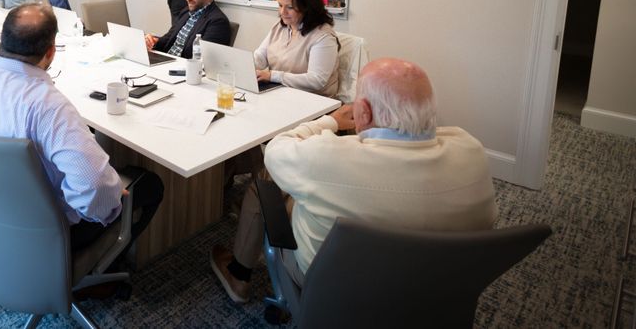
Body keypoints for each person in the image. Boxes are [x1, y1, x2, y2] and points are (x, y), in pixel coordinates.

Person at [209, 58, 497, 303]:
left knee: (266, 182)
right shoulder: (473, 151)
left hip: (336, 287)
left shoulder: (330, 157)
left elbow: (275, 151)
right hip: (441, 287)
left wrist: (331, 121)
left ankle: (239, 274)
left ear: (365, 112)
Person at [0, 4, 164, 258]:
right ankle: (91, 270)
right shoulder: (49, 107)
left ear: (1, 41)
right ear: (51, 52)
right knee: (148, 184)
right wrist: (111, 196)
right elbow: (95, 188)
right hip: (49, 230)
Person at [254, 0, 340, 96]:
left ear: (306, 7)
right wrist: (246, 65)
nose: (282, 12)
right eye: (280, 5)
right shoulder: (280, 27)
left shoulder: (323, 36)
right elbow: (260, 57)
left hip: (314, 101)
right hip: (281, 94)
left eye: (289, 7)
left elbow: (316, 80)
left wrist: (272, 76)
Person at [144, 0, 231, 58]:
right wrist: (153, 41)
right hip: (168, 61)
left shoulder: (218, 22)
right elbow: (168, 39)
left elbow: (203, 59)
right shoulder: (186, 12)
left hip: (184, 68)